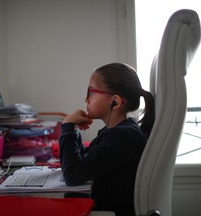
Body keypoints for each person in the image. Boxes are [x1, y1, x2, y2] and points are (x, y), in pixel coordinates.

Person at [59, 63, 155, 216]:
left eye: (91, 92)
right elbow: (84, 160)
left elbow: (72, 175)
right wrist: (74, 130)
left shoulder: (123, 137)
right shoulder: (114, 131)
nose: (86, 99)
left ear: (115, 102)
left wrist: (67, 126)